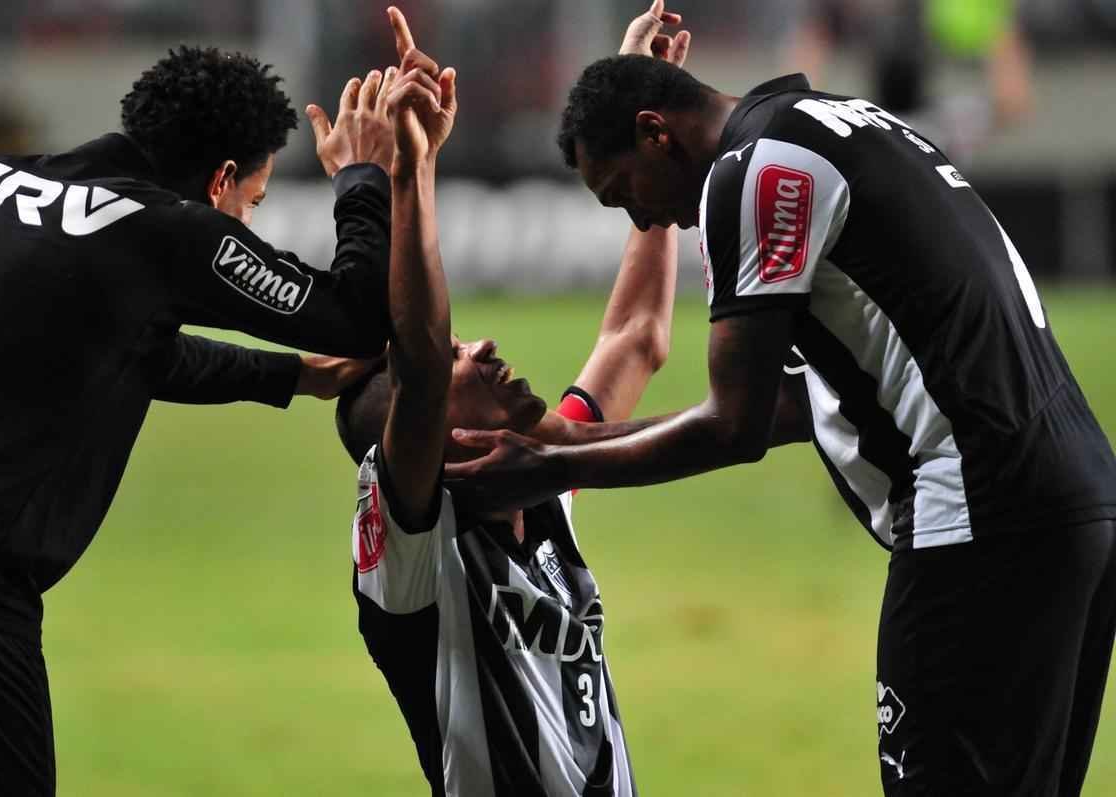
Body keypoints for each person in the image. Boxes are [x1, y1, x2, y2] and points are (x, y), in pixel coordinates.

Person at [447, 2, 1116, 794]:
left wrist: (546, 467)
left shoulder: (751, 174)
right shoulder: (829, 120)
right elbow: (788, 405)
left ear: (656, 132)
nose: (643, 217)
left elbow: (732, 426)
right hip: (1077, 500)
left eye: (624, 191)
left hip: (980, 517)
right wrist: (563, 445)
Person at [0, 46, 396, 795]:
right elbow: (359, 317)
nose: (245, 218)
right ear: (221, 180)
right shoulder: (167, 230)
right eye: (253, 202)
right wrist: (363, 179)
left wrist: (292, 376)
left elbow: (127, 352)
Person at [337, 9, 694, 795]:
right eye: (460, 355)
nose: (485, 347)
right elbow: (419, 364)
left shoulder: (542, 479)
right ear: (434, 436)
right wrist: (410, 170)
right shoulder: (420, 557)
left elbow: (636, 335)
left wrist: (644, 112)